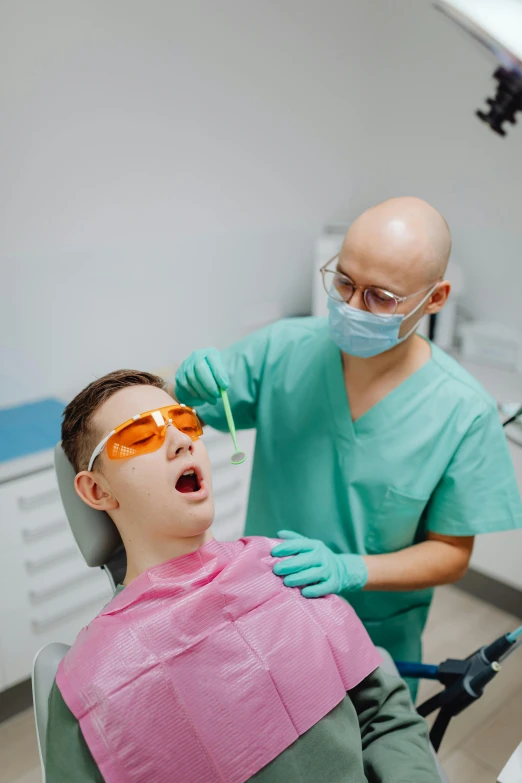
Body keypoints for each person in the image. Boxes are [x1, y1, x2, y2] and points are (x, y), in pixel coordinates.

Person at [175, 196, 522, 698]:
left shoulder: (462, 412)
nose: (352, 306)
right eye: (343, 282)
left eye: (380, 297)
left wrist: (349, 569)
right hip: (263, 608)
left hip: (373, 639)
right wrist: (182, 387)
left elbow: (450, 555)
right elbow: (181, 422)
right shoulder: (282, 349)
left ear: (436, 297)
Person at [45, 369, 441, 783]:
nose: (183, 441)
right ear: (96, 491)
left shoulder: (286, 570)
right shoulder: (93, 679)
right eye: (141, 435)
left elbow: (384, 716)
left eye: (184, 422)